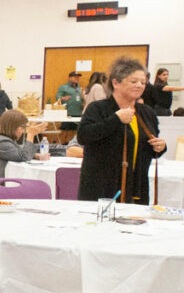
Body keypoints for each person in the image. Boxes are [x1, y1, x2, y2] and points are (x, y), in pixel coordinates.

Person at [78, 57, 166, 203]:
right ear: (115, 82)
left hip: (136, 188)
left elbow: (145, 148)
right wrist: (115, 119)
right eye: (134, 81)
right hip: (102, 188)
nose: (140, 85)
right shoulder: (98, 108)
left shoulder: (147, 113)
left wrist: (160, 147)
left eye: (143, 82)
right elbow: (84, 136)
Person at [55, 71, 83, 142]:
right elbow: (57, 97)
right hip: (68, 113)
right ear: (70, 78)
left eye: (78, 77)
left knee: (74, 131)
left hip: (78, 113)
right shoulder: (63, 87)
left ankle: (70, 145)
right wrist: (64, 98)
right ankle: (60, 145)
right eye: (75, 77)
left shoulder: (79, 88)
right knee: (65, 131)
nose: (77, 78)